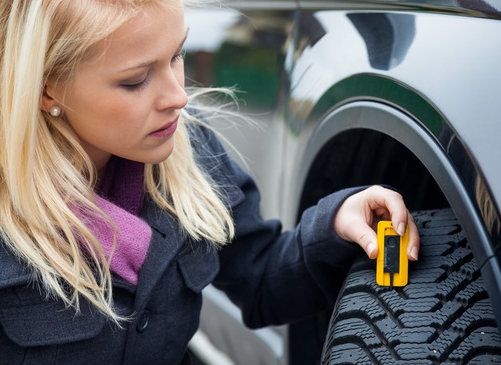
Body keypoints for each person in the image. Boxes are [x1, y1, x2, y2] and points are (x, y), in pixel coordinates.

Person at [0, 0, 419, 363]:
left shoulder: (190, 148)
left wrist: (335, 225)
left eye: (177, 55)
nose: (178, 96)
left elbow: (261, 278)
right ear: (47, 89)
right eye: (135, 80)